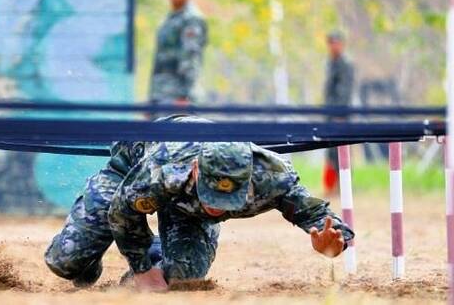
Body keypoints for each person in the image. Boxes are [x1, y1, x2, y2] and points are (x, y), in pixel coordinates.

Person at [44, 115, 355, 292]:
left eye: (227, 199)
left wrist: (333, 243)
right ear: (195, 172)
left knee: (183, 281)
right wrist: (142, 270)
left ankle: (154, 254)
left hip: (186, 214)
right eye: (211, 196)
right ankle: (93, 260)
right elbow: (122, 210)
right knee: (66, 261)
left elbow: (319, 216)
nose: (217, 208)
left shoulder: (272, 176)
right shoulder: (165, 170)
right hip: (130, 167)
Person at [149, 0, 208, 106]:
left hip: (178, 100)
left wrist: (185, 97)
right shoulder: (170, 18)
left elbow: (190, 59)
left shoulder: (191, 19)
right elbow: (160, 63)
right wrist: (151, 101)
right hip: (162, 96)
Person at [322, 31, 355, 195]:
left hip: (340, 114)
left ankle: (344, 186)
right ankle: (332, 186)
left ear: (341, 44)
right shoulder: (331, 63)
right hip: (330, 113)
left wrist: (340, 114)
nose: (333, 46)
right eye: (330, 43)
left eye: (335, 42)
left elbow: (344, 92)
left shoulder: (345, 64)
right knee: (330, 149)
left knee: (341, 150)